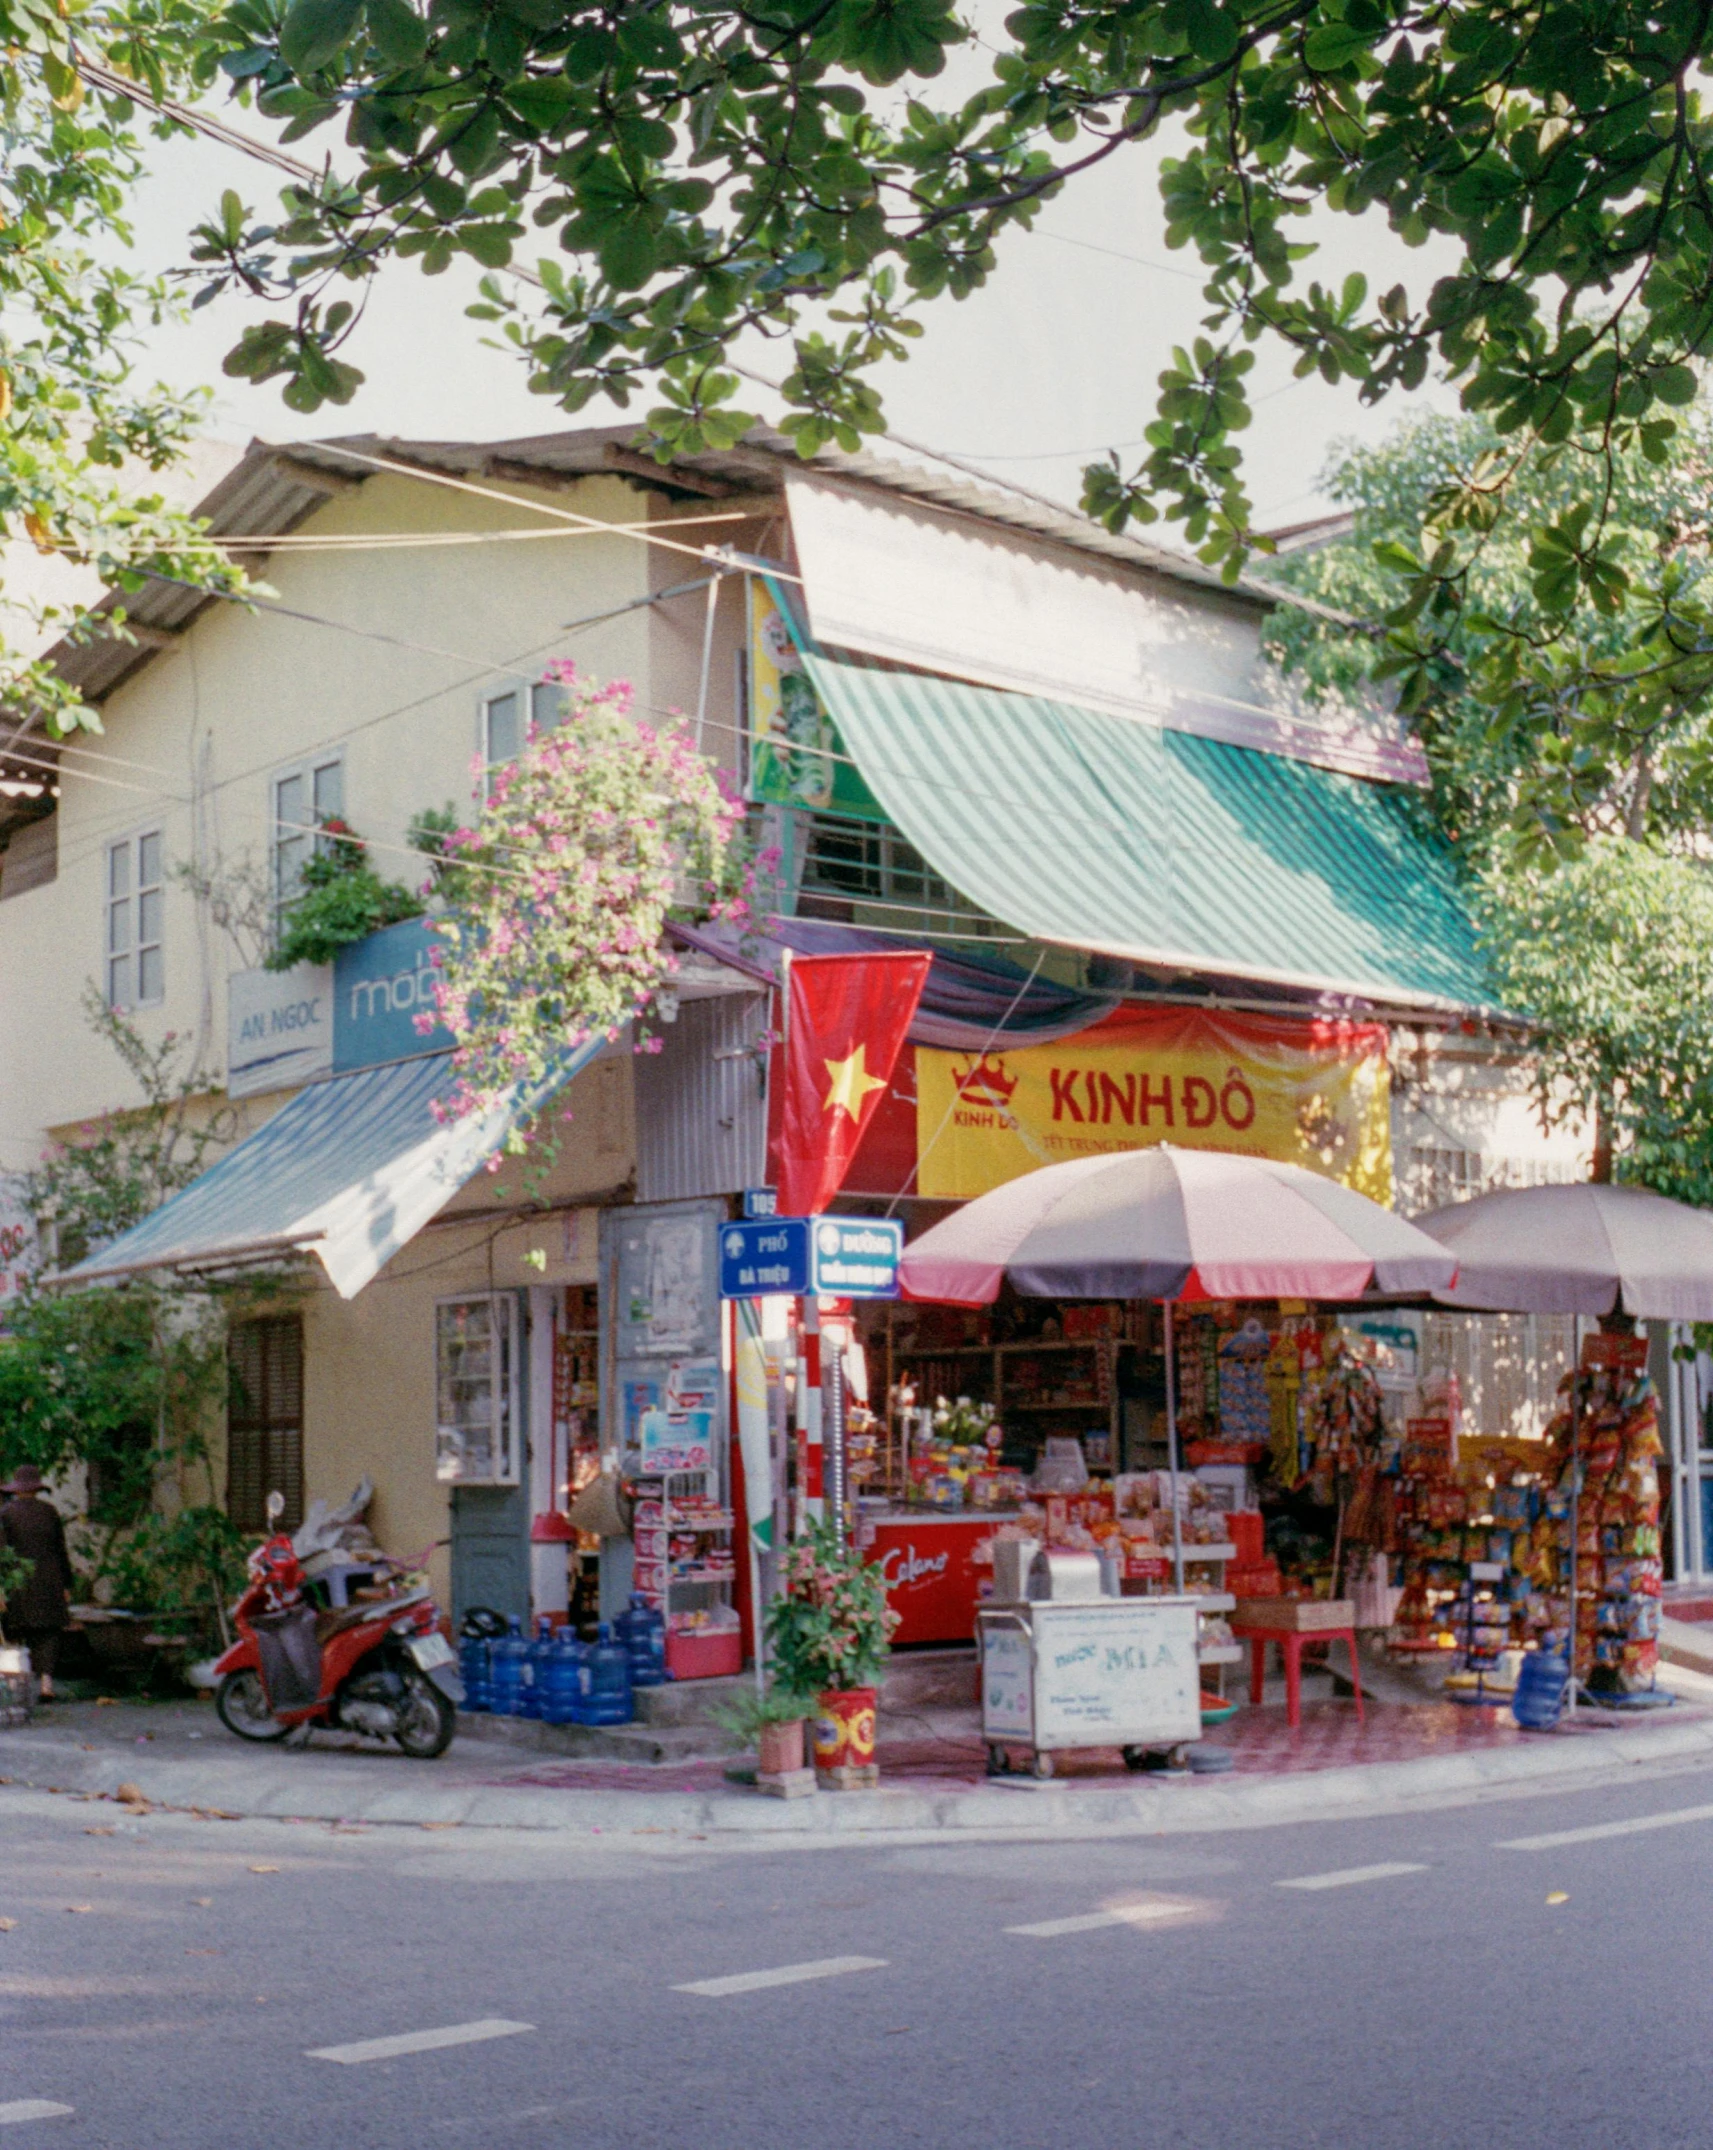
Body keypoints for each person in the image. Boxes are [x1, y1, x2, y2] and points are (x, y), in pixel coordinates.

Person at [0, 1465, 73, 1700]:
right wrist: (66, 1585)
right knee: (48, 1633)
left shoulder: (6, 1513)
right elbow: (61, 1551)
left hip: (18, 1582)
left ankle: (16, 1687)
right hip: (49, 1579)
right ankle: (46, 1684)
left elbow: (2, 1551)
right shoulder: (49, 1512)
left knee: (16, 1631)